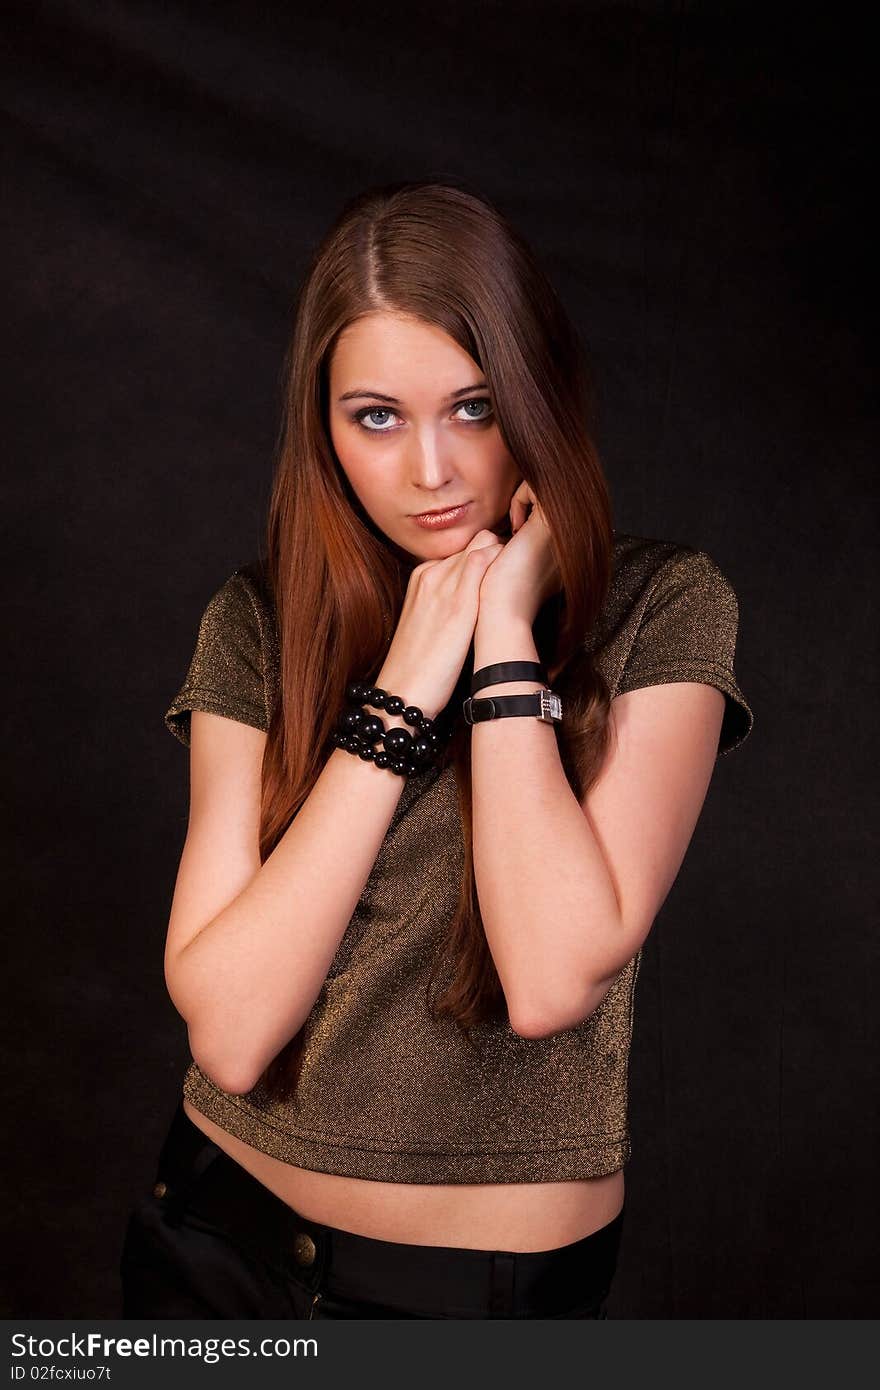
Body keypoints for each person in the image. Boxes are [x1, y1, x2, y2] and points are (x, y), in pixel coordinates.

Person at [119, 178, 753, 1320]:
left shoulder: (664, 607)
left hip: (473, 1295)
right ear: (322, 425)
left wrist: (501, 637)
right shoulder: (260, 624)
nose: (431, 472)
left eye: (471, 408)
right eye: (376, 417)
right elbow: (230, 1025)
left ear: (535, 396)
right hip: (214, 1238)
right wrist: (405, 688)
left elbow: (554, 975)